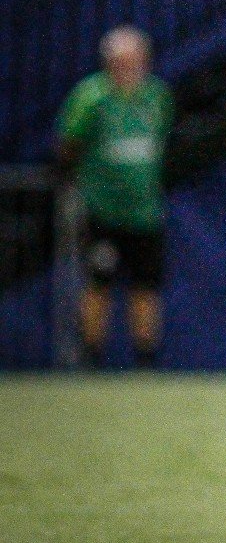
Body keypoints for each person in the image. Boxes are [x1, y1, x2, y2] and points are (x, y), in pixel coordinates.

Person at [56, 26, 175, 369]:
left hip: (146, 213)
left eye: (135, 59)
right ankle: (91, 359)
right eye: (120, 60)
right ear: (108, 62)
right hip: (101, 212)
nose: (128, 66)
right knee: (98, 284)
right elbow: (68, 144)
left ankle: (145, 361)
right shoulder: (90, 97)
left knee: (146, 287)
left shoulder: (157, 96)